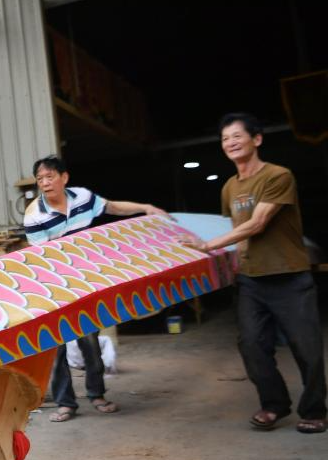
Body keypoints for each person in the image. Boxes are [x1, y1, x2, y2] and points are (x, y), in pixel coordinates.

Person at [182, 113, 325, 434]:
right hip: (251, 279)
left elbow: (257, 224)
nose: (230, 143)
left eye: (237, 136)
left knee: (307, 348)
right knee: (251, 345)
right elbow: (236, 231)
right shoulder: (229, 187)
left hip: (289, 276)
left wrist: (208, 245)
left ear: (256, 139)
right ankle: (274, 404)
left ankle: (315, 410)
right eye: (225, 139)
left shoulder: (278, 176)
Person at [24, 154, 168, 423]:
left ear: (64, 177)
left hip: (87, 282)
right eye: (40, 179)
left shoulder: (83, 197)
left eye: (49, 177)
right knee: (55, 347)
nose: (44, 183)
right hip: (53, 286)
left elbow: (113, 207)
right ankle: (65, 403)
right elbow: (42, 258)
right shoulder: (34, 215)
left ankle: (97, 394)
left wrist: (145, 207)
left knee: (90, 341)